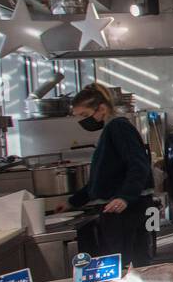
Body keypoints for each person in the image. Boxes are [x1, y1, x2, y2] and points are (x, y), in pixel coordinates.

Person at [65, 83, 154, 267]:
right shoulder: (109, 131)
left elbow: (139, 165)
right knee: (122, 263)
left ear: (102, 108)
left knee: (128, 264)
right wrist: (72, 202)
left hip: (126, 212)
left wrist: (125, 197)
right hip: (118, 210)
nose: (83, 121)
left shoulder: (118, 127)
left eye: (85, 115)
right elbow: (102, 177)